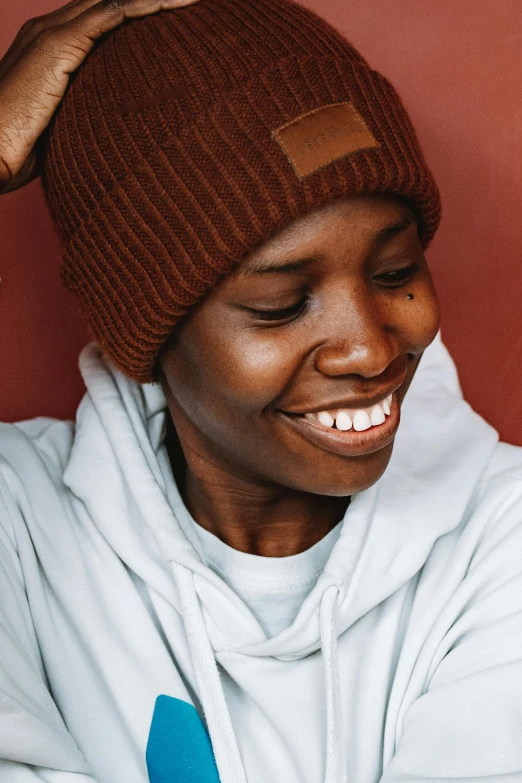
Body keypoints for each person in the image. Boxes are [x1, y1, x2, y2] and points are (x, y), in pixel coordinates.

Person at [1, 0, 522, 781]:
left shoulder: (502, 534)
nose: (371, 347)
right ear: (140, 331)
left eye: (395, 272)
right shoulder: (22, 522)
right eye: (281, 304)